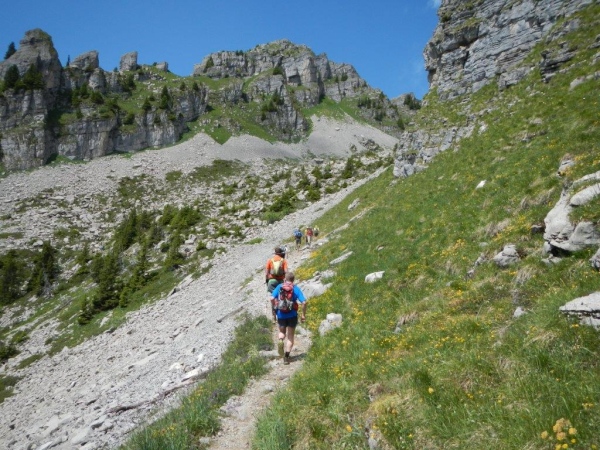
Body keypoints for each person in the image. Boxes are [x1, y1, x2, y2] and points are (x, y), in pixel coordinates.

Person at [271, 271, 307, 364]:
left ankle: (280, 340)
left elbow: (272, 298)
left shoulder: (279, 287)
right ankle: (286, 357)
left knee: (282, 332)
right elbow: (304, 302)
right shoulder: (295, 288)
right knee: (290, 337)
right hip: (292, 315)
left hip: (281, 314)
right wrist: (303, 315)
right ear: (293, 280)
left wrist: (274, 310)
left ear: (285, 278)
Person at [265, 247, 288, 322]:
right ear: (280, 253)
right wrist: (286, 281)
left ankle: (274, 317)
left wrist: (267, 280)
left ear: (275, 253)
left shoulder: (270, 260)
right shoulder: (283, 261)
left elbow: (266, 273)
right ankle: (282, 315)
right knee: (281, 297)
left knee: (273, 298)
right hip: (280, 282)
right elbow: (286, 272)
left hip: (272, 282)